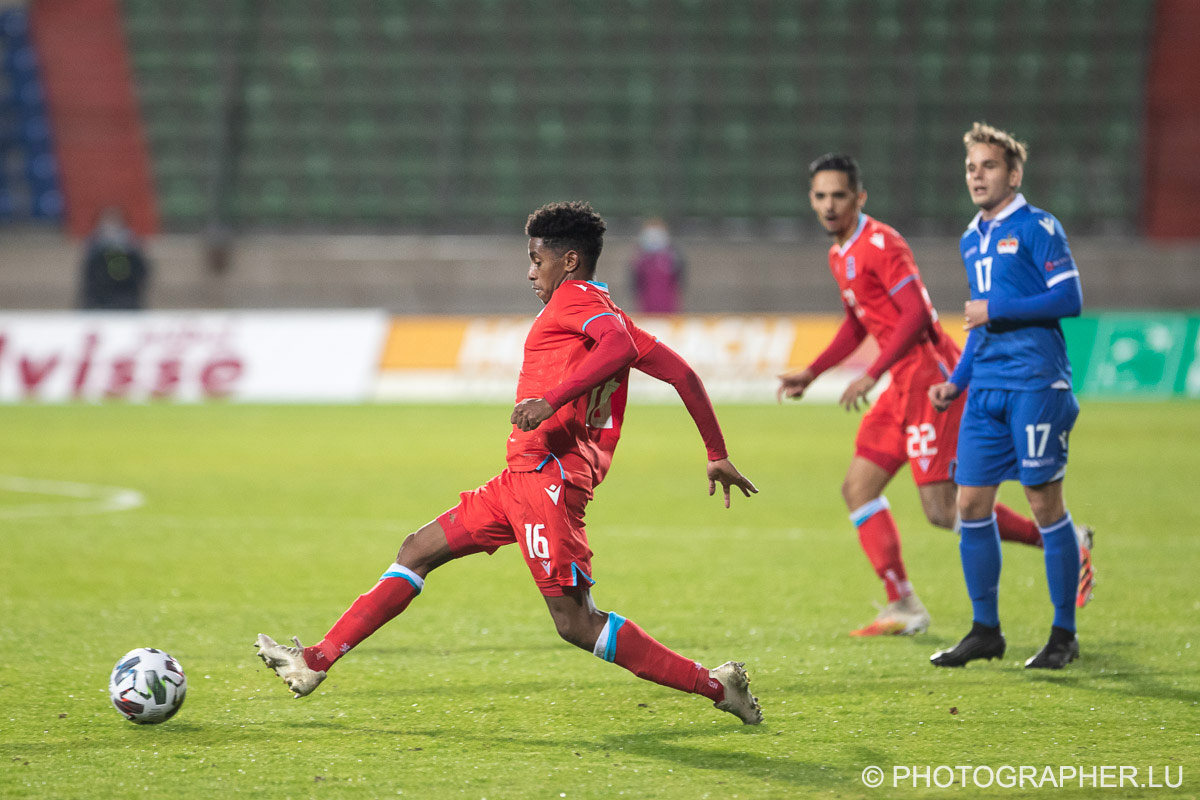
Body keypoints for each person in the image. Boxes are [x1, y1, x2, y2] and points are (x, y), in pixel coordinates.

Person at [255, 201, 763, 724]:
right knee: (417, 550)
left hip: (548, 480)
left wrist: (551, 401)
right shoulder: (609, 314)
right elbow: (684, 375)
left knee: (577, 624)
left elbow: (615, 348)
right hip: (520, 479)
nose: (530, 272)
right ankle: (316, 661)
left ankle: (716, 686)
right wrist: (716, 453)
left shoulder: (577, 302)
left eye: (536, 260)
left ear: (569, 260)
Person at [778, 154, 1091, 638]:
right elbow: (859, 322)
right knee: (858, 488)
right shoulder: (839, 254)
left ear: (859, 197)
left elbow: (918, 314)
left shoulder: (882, 244)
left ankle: (1063, 540)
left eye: (839, 195)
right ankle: (903, 603)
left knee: (944, 511)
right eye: (821, 196)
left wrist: (871, 373)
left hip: (928, 381)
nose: (829, 205)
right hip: (899, 385)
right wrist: (813, 372)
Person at [928, 123, 1092, 670]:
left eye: (989, 166)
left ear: (1014, 174)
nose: (977, 176)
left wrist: (996, 308)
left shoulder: (1039, 226)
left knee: (1044, 504)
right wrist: (957, 380)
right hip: (986, 389)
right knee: (970, 506)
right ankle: (985, 631)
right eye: (971, 167)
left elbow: (1069, 297)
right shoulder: (970, 238)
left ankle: (1063, 635)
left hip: (1036, 383)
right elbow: (979, 324)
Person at [79, 206, 150, 309]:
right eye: (107, 222)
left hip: (127, 301)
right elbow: (88, 279)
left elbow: (141, 274)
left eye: (114, 222)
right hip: (98, 303)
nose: (110, 228)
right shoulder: (93, 249)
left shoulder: (133, 249)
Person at [629, 217, 685, 313]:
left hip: (669, 308)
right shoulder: (639, 258)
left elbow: (680, 280)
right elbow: (635, 284)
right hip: (646, 308)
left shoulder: (673, 256)